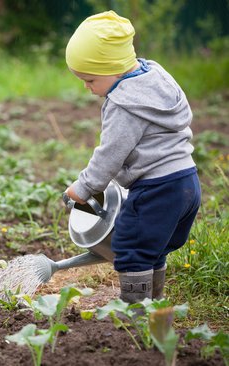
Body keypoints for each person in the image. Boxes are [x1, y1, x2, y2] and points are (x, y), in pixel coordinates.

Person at [63, 10, 201, 304]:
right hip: (187, 182)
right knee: (154, 247)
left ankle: (135, 312)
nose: (88, 89)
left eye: (89, 80)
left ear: (112, 68)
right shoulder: (155, 77)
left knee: (130, 247)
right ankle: (154, 301)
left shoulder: (123, 104)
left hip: (157, 188)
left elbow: (110, 154)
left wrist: (84, 188)